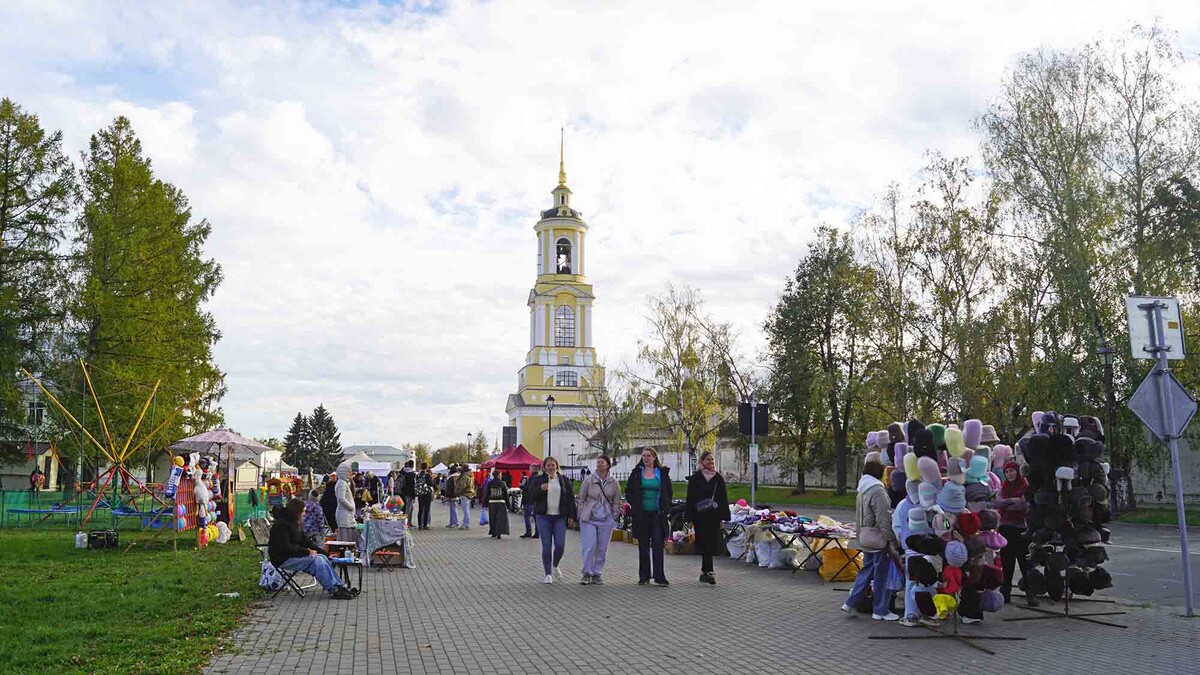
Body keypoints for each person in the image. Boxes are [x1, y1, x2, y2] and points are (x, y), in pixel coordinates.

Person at [841, 461, 900, 621]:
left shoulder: (862, 490)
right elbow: (884, 518)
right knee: (882, 574)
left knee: (866, 570)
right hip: (877, 537)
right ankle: (880, 610)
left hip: (865, 537)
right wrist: (891, 539)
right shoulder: (878, 491)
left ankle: (851, 602)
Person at [268, 498, 355, 600]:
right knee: (317, 560)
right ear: (297, 512)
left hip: (291, 555)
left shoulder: (294, 523)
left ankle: (339, 586)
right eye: (303, 511)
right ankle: (334, 589)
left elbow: (306, 542)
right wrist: (307, 552)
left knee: (322, 557)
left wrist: (326, 554)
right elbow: (285, 547)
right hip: (282, 559)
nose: (305, 514)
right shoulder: (281, 526)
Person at [625, 447, 672, 586]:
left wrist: (666, 506)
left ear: (654, 457)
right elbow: (629, 491)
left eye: (648, 456)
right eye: (644, 456)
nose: (646, 458)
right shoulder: (636, 473)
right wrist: (635, 504)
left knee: (658, 545)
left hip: (657, 514)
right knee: (643, 546)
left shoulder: (661, 473)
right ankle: (644, 576)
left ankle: (659, 576)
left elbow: (668, 491)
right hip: (642, 515)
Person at [685, 450, 730, 585]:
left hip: (714, 516)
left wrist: (723, 517)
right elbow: (690, 498)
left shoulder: (718, 478)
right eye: (708, 460)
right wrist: (689, 517)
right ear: (702, 462)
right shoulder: (696, 478)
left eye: (712, 460)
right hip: (700, 516)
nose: (711, 462)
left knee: (712, 542)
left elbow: (723, 499)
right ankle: (706, 570)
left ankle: (707, 571)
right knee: (703, 541)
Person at [576, 455, 621, 585]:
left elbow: (617, 500)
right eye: (598, 462)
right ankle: (586, 573)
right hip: (589, 517)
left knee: (602, 547)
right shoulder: (589, 480)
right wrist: (581, 514)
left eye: (602, 462)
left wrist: (614, 516)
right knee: (589, 546)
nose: (599, 464)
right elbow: (581, 498)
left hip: (606, 518)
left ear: (608, 465)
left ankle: (597, 572)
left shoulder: (614, 482)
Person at [529, 456, 576, 583]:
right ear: (544, 467)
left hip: (559, 517)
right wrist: (540, 489)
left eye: (553, 465)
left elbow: (570, 499)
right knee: (546, 545)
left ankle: (555, 565)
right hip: (543, 516)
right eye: (548, 465)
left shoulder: (563, 480)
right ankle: (548, 573)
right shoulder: (538, 479)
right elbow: (531, 496)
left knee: (560, 544)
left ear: (557, 466)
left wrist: (572, 516)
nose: (550, 467)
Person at [995, 460, 1034, 605]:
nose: (1009, 474)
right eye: (1007, 472)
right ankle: (1006, 593)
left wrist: (1007, 503)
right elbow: (997, 502)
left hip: (1022, 529)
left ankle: (1031, 592)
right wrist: (1013, 501)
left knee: (1025, 562)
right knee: (1007, 562)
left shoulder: (1025, 486)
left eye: (1012, 471)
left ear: (1017, 472)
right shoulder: (1003, 487)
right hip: (1006, 529)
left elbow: (1024, 504)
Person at [334, 464, 357, 543]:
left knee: (346, 538)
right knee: (345, 540)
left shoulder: (342, 482)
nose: (351, 473)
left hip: (346, 515)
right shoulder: (342, 483)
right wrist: (351, 507)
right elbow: (341, 498)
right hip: (345, 515)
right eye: (349, 472)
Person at [486, 468, 511, 539]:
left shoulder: (490, 483)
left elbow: (487, 493)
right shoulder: (502, 483)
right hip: (501, 502)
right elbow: (506, 494)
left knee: (493, 518)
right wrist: (508, 505)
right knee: (500, 518)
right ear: (498, 475)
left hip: (492, 503)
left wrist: (485, 503)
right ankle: (499, 533)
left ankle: (493, 532)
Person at [520, 464, 540, 539]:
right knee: (536, 517)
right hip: (536, 500)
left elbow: (529, 488)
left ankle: (528, 532)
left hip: (530, 500)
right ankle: (537, 533)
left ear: (533, 469)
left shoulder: (532, 478)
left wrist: (522, 487)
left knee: (527, 515)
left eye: (530, 469)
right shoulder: (539, 477)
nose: (529, 470)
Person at [455, 464, 476, 530]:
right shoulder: (471, 475)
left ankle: (466, 524)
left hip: (464, 494)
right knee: (466, 510)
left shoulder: (464, 476)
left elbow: (462, 486)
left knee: (465, 510)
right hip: (469, 493)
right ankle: (465, 524)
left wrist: (458, 491)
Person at [417, 464, 434, 530]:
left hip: (420, 493)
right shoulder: (427, 475)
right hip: (427, 493)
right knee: (426, 509)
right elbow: (431, 483)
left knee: (420, 509)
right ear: (426, 467)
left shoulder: (418, 475)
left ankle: (419, 525)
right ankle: (425, 525)